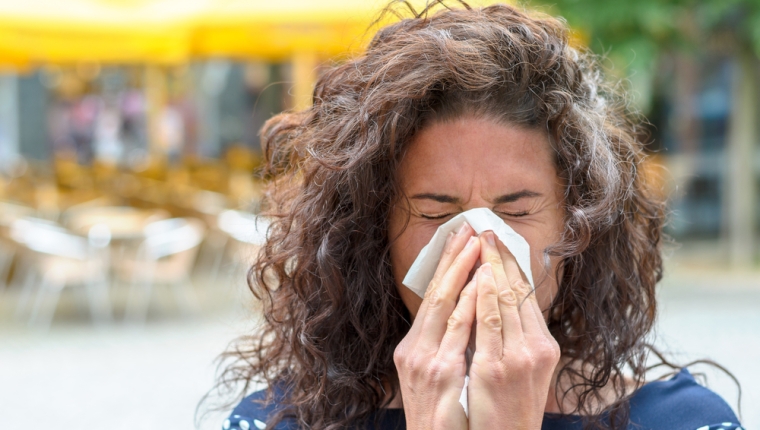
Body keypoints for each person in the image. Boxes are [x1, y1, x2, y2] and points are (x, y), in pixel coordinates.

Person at [213, 2, 743, 429]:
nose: (477, 242)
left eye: (514, 209)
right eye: (433, 211)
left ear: (577, 226)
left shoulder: (685, 422)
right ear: (371, 233)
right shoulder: (276, 420)